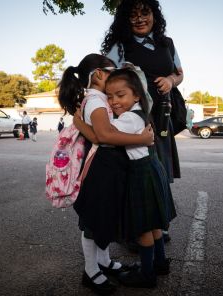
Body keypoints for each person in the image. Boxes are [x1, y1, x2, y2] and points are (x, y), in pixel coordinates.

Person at [58, 53, 154, 295]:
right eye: (112, 70)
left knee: (104, 217)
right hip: (102, 167)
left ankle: (103, 261)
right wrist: (141, 138)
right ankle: (90, 272)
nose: (117, 75)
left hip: (109, 165)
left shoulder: (100, 98)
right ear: (99, 74)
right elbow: (103, 136)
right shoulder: (97, 101)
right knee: (93, 220)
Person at [101, 0, 182, 243]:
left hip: (163, 115)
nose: (139, 19)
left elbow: (180, 73)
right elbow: (105, 78)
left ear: (154, 15)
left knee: (159, 170)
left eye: (145, 13)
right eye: (133, 15)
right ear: (125, 19)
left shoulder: (167, 43)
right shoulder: (120, 46)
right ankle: (138, 228)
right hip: (134, 117)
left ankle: (160, 225)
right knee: (137, 171)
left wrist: (170, 80)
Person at [105, 68, 176, 288]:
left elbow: (103, 133)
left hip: (141, 174)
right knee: (154, 223)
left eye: (120, 95)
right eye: (109, 96)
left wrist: (80, 121)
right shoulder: (140, 112)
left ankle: (147, 275)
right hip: (152, 169)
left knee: (144, 227)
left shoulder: (127, 118)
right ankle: (160, 263)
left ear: (136, 95)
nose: (114, 101)